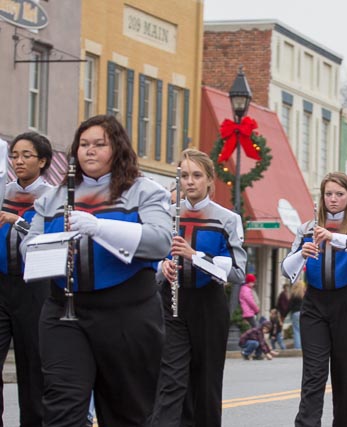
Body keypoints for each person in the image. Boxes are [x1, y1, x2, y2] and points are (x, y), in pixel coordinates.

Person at [20, 114, 173, 425]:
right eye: (84, 144)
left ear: (116, 148)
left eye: (99, 144)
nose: (89, 150)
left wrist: (100, 228)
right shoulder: (52, 198)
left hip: (127, 313)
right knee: (62, 407)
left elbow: (160, 242)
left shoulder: (145, 191)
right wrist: (56, 243)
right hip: (64, 310)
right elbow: (29, 250)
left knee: (128, 411)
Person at [151, 148, 247, 427]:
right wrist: (161, 267)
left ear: (209, 180)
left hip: (208, 304)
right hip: (170, 303)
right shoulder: (166, 215)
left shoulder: (227, 219)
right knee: (170, 380)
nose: (189, 181)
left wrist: (195, 257)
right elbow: (148, 255)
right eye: (183, 175)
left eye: (196, 175)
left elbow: (238, 270)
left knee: (206, 384)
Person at [282, 171, 347, 427]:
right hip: (314, 304)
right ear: (322, 197)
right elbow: (286, 269)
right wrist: (301, 254)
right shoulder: (307, 227)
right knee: (313, 374)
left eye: (339, 194)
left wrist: (333, 236)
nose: (333, 199)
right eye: (328, 194)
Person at [0, 132, 53, 426]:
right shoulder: (3, 191)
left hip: (34, 286)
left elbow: (48, 237)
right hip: (1, 284)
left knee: (33, 365)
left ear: (42, 161)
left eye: (26, 155)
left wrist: (17, 221)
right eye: (15, 156)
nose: (18, 161)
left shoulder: (50, 197)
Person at [288, 281, 305, 350]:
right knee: (302, 330)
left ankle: (297, 347)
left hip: (295, 313)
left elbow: (289, 306)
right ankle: (303, 346)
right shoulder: (304, 295)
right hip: (303, 313)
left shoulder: (293, 295)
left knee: (296, 330)